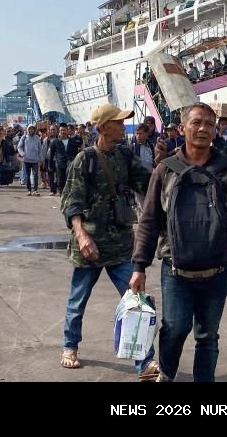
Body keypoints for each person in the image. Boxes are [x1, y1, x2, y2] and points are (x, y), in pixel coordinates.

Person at [131, 102, 227, 383]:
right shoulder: (165, 170)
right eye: (196, 123)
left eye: (209, 124)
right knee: (175, 329)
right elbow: (149, 220)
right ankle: (167, 375)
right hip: (175, 270)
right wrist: (139, 266)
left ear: (216, 131)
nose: (203, 128)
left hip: (216, 271)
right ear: (182, 129)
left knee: (207, 336)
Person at [59, 104, 162, 379]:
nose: (122, 126)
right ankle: (70, 346)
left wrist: (164, 166)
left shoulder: (125, 155)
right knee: (77, 302)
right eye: (118, 122)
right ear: (103, 127)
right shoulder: (85, 160)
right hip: (90, 247)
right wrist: (81, 236)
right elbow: (71, 203)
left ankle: (145, 363)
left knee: (137, 303)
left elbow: (148, 183)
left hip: (121, 245)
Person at [18, 122, 44, 195]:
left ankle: (35, 190)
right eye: (30, 129)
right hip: (26, 160)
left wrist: (41, 159)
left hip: (35, 160)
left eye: (33, 129)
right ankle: (29, 190)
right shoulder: (24, 137)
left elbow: (40, 149)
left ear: (35, 130)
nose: (31, 130)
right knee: (27, 176)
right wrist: (23, 154)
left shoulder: (37, 138)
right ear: (28, 129)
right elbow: (19, 147)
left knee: (35, 175)